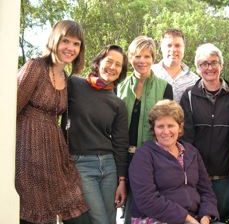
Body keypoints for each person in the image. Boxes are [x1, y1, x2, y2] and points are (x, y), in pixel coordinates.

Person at [16, 20, 91, 224]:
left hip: (53, 154)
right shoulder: (35, 67)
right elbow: (10, 108)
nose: (71, 48)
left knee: (76, 206)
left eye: (76, 44)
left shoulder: (66, 78)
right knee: (35, 213)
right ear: (54, 40)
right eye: (66, 41)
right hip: (27, 152)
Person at [61, 45, 129, 224]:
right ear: (98, 62)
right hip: (81, 164)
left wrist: (122, 180)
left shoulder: (118, 103)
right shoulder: (75, 84)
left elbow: (121, 143)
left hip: (109, 166)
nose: (113, 67)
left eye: (118, 65)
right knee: (100, 220)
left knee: (110, 219)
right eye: (109, 62)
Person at [129, 99, 220, 224]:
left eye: (171, 126)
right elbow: (146, 199)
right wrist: (187, 219)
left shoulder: (192, 152)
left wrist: (206, 216)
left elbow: (206, 190)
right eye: (160, 126)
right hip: (154, 218)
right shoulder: (143, 155)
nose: (166, 132)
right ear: (153, 129)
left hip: (195, 218)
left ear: (180, 127)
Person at [117, 35, 173, 224]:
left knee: (148, 211)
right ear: (130, 57)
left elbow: (168, 126)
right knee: (127, 211)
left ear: (153, 58)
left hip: (152, 158)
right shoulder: (119, 87)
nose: (142, 61)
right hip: (125, 157)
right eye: (137, 56)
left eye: (147, 56)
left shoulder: (165, 87)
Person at [180, 43, 229, 222]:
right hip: (198, 178)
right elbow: (186, 140)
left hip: (226, 176)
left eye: (213, 62)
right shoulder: (188, 96)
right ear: (197, 67)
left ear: (221, 65)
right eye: (204, 63)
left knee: (224, 217)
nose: (209, 67)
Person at [152, 28, 199, 102]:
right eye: (169, 45)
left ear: (184, 48)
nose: (173, 50)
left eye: (177, 45)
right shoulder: (150, 73)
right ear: (161, 48)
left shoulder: (194, 81)